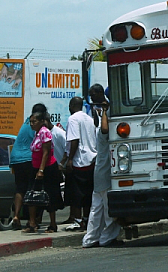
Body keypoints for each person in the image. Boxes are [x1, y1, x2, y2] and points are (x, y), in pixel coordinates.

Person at [82, 84, 122, 248]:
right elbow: (105, 130)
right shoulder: (103, 123)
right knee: (107, 207)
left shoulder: (99, 116)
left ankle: (90, 239)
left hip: (100, 171)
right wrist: (105, 112)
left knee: (96, 208)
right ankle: (107, 238)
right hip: (104, 171)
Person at [22, 111, 64, 233]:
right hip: (35, 167)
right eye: (30, 122)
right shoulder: (37, 133)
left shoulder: (45, 132)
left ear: (41, 121)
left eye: (34, 121)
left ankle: (52, 224)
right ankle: (32, 223)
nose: (32, 124)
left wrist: (41, 170)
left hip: (47, 168)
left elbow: (46, 153)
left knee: (50, 195)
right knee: (32, 195)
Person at [8, 103, 45, 230]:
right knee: (32, 189)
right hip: (28, 159)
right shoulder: (37, 126)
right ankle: (32, 220)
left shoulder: (27, 123)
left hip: (16, 158)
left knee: (20, 188)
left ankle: (16, 216)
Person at [65, 96, 97, 232]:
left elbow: (74, 140)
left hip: (79, 160)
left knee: (76, 193)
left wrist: (70, 159)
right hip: (91, 159)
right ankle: (86, 219)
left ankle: (77, 221)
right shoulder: (89, 119)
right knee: (88, 193)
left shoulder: (73, 119)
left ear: (72, 105)